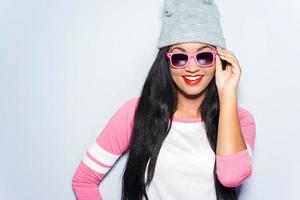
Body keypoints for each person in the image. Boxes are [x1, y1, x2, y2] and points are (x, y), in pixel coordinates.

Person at [72, 0, 256, 199]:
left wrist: (228, 94)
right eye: (179, 58)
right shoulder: (136, 112)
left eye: (204, 56)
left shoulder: (241, 120)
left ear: (219, 60)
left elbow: (232, 177)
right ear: (166, 62)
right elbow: (84, 180)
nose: (192, 68)